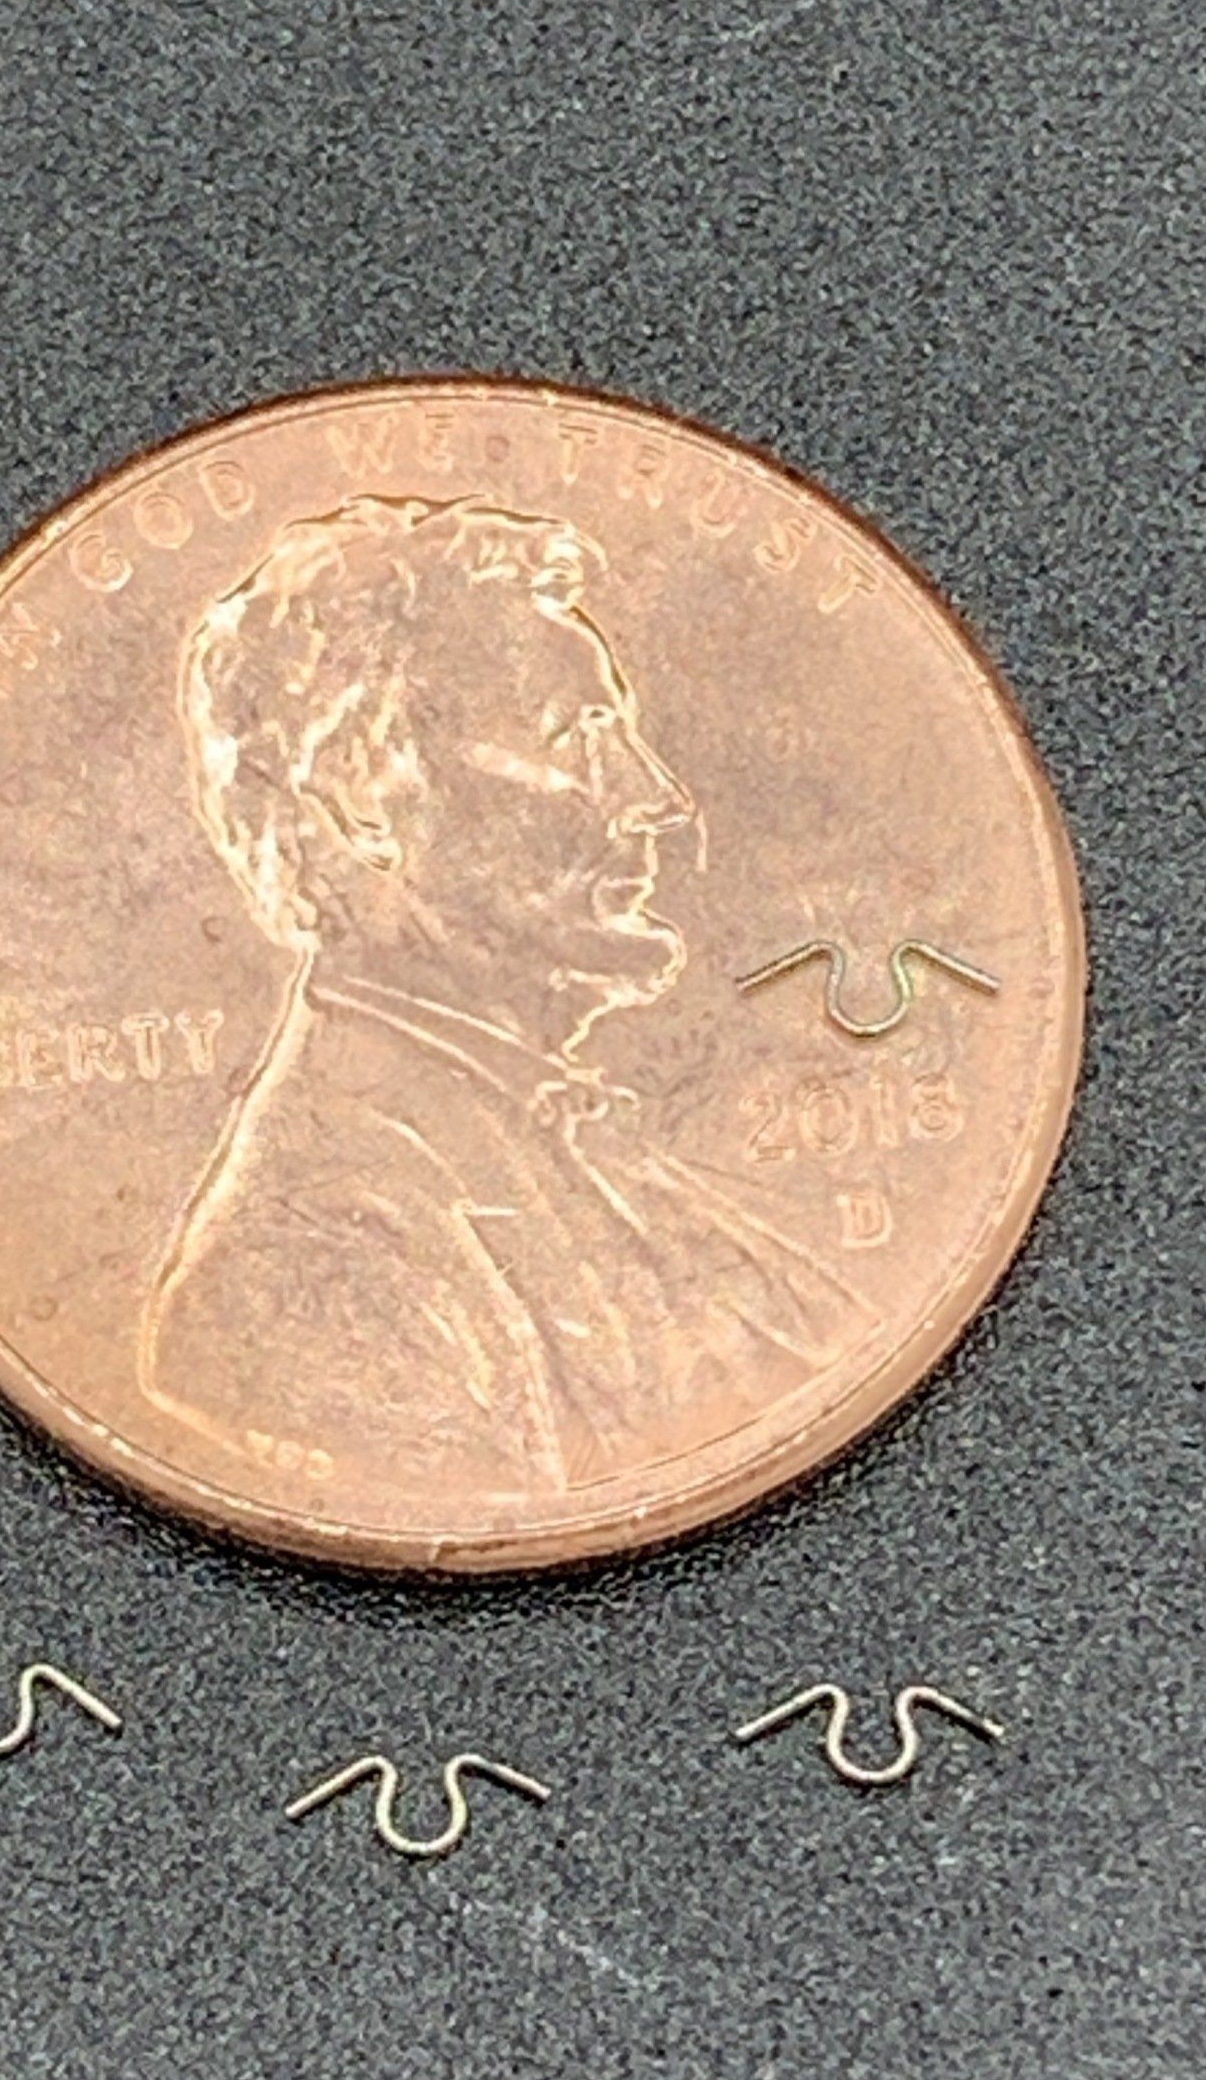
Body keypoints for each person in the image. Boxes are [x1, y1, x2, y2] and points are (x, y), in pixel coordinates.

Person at [141, 495, 871, 1493]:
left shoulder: (565, 1145)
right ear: (361, 802)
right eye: (578, 741)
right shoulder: (302, 1269)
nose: (656, 799)